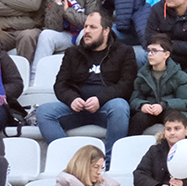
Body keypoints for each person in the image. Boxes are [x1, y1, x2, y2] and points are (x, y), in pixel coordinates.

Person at [34, 11, 134, 158]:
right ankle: (70, 161)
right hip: (77, 109)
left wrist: (100, 100)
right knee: (43, 112)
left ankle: (110, 161)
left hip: (106, 109)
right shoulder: (73, 52)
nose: (86, 31)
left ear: (106, 31)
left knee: (120, 107)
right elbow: (60, 84)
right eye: (86, 26)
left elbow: (127, 85)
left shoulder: (124, 52)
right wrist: (72, 99)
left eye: (92, 27)